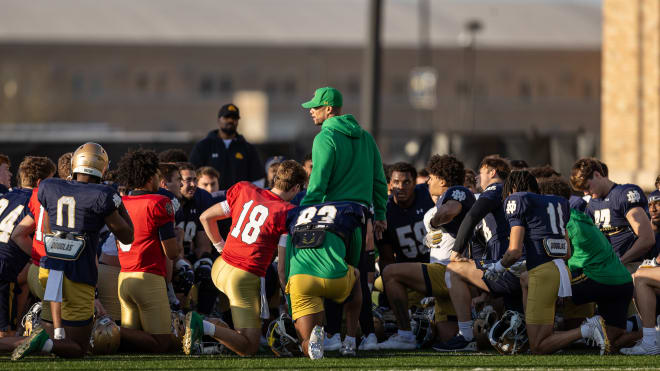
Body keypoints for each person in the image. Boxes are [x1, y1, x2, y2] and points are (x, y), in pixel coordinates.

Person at [12, 142, 134, 360]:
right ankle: (42, 342)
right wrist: (118, 203)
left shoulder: (50, 186)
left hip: (49, 269)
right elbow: (127, 235)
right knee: (78, 348)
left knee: (56, 343)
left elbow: (49, 230)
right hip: (78, 272)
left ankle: (32, 341)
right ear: (102, 167)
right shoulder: (102, 194)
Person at [184, 160, 306, 356]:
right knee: (249, 347)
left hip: (220, 267)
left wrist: (220, 247)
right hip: (243, 278)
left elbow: (206, 217)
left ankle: (200, 329)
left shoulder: (245, 189)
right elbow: (281, 269)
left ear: (275, 179)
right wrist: (289, 296)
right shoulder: (287, 212)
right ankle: (203, 325)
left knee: (238, 331)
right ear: (297, 187)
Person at [300, 86, 388, 351]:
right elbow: (379, 181)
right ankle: (362, 336)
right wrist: (380, 214)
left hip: (334, 216)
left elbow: (319, 180)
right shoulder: (366, 137)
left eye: (315, 107)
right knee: (359, 276)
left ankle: (333, 336)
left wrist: (306, 210)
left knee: (333, 275)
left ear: (329, 108)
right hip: (362, 216)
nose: (311, 111)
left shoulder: (325, 137)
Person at [494, 170, 608, 355]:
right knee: (524, 279)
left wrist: (498, 266)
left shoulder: (517, 199)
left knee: (538, 347)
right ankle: (535, 327)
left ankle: (587, 330)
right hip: (560, 270)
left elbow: (514, 251)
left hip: (543, 274)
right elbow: (567, 253)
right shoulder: (558, 202)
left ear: (513, 188)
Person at [378, 154, 474, 350]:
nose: (428, 181)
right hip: (445, 274)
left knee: (389, 274)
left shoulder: (455, 191)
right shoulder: (437, 198)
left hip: (450, 270)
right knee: (447, 337)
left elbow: (450, 211)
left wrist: (433, 223)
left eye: (432, 177)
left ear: (443, 179)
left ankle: (404, 335)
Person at [436, 155, 520, 352]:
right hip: (516, 265)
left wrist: (455, 251)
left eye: (481, 172)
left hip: (506, 267)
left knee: (453, 269)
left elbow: (472, 216)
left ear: (492, 172)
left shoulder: (495, 188)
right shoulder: (511, 194)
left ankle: (466, 336)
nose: (476, 177)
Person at [539, 177, 634, 351]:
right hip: (622, 282)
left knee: (537, 282)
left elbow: (562, 256)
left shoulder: (562, 220)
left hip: (594, 278)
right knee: (610, 343)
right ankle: (650, 332)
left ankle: (538, 333)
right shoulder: (579, 215)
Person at [280, 201, 367, 358]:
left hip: (301, 280)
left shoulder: (295, 215)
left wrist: (292, 308)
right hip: (334, 276)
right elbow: (355, 255)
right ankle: (349, 341)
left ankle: (313, 344)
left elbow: (286, 267)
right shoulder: (348, 211)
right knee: (356, 274)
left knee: (306, 342)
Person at [115, 149, 181, 353]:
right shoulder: (159, 202)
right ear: (151, 176)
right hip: (148, 278)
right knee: (163, 344)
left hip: (124, 277)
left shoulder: (122, 202)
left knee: (132, 345)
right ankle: (106, 326)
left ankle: (113, 329)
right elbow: (171, 252)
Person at [0, 157, 55, 337]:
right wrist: (37, 255)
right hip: (5, 267)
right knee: (5, 333)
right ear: (41, 182)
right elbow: (19, 236)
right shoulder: (34, 199)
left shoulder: (7, 195)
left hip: (6, 262)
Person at [570, 158, 655, 270]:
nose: (586, 193)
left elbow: (647, 238)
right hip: (606, 267)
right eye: (582, 190)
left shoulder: (624, 194)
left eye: (587, 187)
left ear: (597, 175)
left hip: (631, 264)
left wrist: (620, 262)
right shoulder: (590, 204)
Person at [189, 103, 265, 189]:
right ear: (218, 120)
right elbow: (192, 174)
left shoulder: (248, 149)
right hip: (209, 199)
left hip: (239, 200)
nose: (230, 121)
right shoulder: (203, 146)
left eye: (234, 118)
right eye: (226, 117)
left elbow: (258, 179)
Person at [176, 163, 215, 315]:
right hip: (171, 257)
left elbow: (203, 243)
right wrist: (182, 262)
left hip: (190, 253)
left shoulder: (202, 198)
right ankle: (178, 316)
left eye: (194, 180)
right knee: (184, 274)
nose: (193, 185)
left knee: (207, 271)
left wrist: (203, 260)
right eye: (187, 180)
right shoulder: (169, 200)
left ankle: (204, 320)